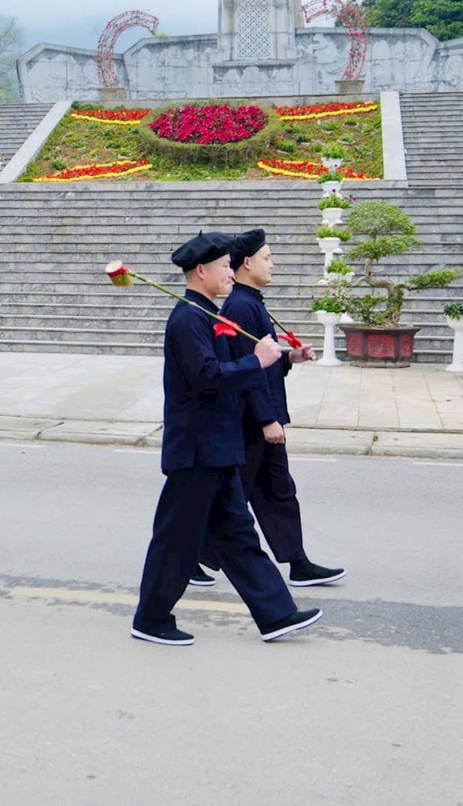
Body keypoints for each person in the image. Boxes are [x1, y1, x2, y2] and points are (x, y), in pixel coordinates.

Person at [131, 232, 320, 647]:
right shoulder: (187, 319)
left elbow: (235, 366)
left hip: (218, 447)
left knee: (238, 533)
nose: (230, 275)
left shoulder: (208, 314)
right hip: (197, 450)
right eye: (222, 268)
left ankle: (276, 613)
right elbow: (207, 377)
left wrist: (282, 358)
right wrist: (256, 361)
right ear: (202, 271)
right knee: (175, 540)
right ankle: (150, 617)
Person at [194, 230, 342, 588]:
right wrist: (267, 419)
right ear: (247, 263)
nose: (272, 264)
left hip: (261, 417)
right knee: (235, 497)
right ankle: (192, 555)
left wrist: (291, 356)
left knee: (275, 491)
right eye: (267, 258)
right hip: (251, 421)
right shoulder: (242, 306)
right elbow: (248, 369)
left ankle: (297, 561)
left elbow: (264, 361)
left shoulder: (252, 301)